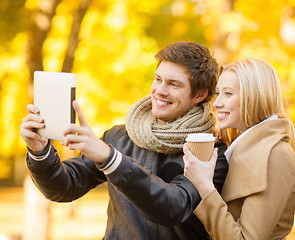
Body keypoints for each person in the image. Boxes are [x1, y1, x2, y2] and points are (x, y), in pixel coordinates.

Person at [20, 41, 228, 240]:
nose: (160, 90)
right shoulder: (120, 136)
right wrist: (40, 151)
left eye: (173, 84)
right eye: (157, 79)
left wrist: (111, 159)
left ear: (199, 94)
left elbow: (173, 207)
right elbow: (63, 187)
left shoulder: (209, 152)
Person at [183, 58, 295, 240]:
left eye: (228, 93)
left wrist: (204, 186)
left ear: (255, 96)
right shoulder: (235, 144)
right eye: (218, 93)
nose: (217, 103)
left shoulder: (275, 154)